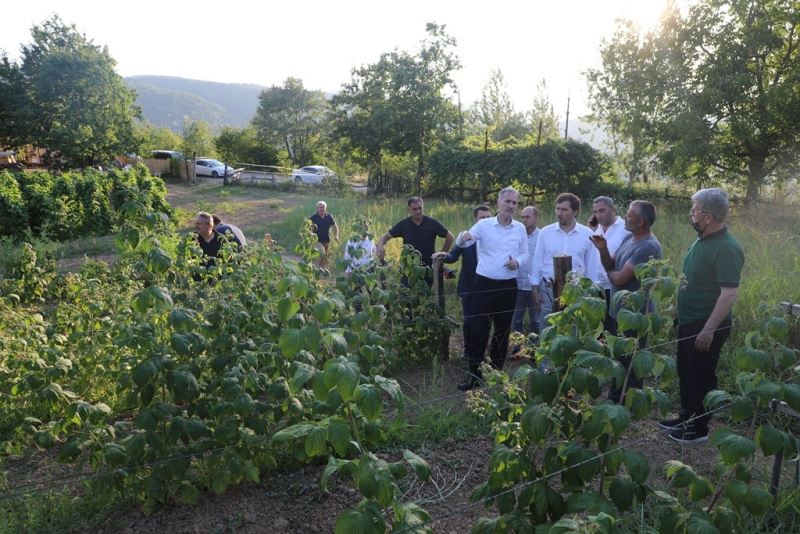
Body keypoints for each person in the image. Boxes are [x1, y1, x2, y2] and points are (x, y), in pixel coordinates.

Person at [659, 188, 744, 444]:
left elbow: (728, 294)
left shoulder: (727, 248)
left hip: (706, 323)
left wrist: (708, 329)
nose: (691, 214)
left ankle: (698, 428)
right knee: (686, 371)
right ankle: (686, 415)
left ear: (707, 216)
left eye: (694, 209)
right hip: (689, 319)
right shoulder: (702, 239)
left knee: (702, 375)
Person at [453, 187, 528, 391]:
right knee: (478, 330)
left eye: (515, 203)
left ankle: (496, 375)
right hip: (483, 284)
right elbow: (462, 242)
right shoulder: (484, 225)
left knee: (502, 332)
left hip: (508, 287)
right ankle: (474, 377)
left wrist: (518, 262)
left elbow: (525, 253)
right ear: (498, 204)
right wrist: (464, 236)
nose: (511, 206)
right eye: (508, 202)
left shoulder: (520, 228)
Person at [590, 200, 662, 403]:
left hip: (635, 315)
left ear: (641, 222)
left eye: (630, 215)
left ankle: (627, 401)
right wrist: (602, 249)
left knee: (631, 361)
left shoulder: (648, 246)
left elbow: (620, 278)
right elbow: (612, 264)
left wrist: (610, 272)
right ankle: (616, 397)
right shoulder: (630, 237)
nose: (625, 218)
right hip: (619, 311)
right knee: (619, 358)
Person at [530, 193, 599, 330]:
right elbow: (537, 261)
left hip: (576, 289)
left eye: (564, 209)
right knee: (547, 327)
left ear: (575, 211)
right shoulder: (546, 233)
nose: (559, 213)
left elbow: (591, 265)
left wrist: (590, 292)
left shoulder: (587, 235)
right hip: (549, 289)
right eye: (557, 209)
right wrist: (535, 290)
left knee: (573, 327)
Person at [432, 205, 492, 360]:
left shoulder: (495, 237)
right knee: (469, 320)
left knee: (486, 320)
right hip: (469, 286)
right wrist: (442, 255)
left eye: (488, 217)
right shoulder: (466, 236)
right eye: (482, 218)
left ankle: (482, 351)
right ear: (475, 219)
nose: (485, 220)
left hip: (488, 286)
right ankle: (467, 350)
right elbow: (453, 256)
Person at [375, 196, 454, 274]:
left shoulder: (432, 223)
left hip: (427, 269)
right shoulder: (404, 224)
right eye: (414, 209)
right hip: (408, 269)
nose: (418, 211)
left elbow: (450, 237)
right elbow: (385, 237)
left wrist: (440, 256)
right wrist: (380, 245)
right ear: (409, 210)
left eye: (420, 208)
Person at [588, 196, 630, 332]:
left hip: (616, 286)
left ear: (612, 210)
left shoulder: (624, 229)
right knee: (600, 330)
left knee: (616, 328)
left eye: (602, 211)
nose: (598, 215)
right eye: (595, 212)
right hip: (598, 288)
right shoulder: (596, 230)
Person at [511, 205, 541, 338]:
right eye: (522, 217)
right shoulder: (516, 236)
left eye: (527, 217)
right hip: (517, 285)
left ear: (536, 218)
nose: (524, 220)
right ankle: (518, 349)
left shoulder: (542, 236)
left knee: (536, 321)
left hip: (535, 287)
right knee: (516, 320)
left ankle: (534, 350)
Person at [310, 201, 339, 268]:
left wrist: (336, 235)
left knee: (325, 255)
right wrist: (311, 235)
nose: (322, 209)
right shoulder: (313, 218)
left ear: (325, 208)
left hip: (326, 239)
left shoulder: (329, 216)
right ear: (317, 208)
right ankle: (319, 268)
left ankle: (323, 269)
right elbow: (309, 229)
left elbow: (335, 227)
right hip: (317, 240)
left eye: (323, 207)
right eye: (320, 207)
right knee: (322, 253)